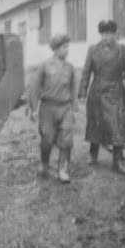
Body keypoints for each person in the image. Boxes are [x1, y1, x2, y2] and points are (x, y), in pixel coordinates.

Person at [78, 20, 125, 174]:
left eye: (110, 33)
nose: (107, 37)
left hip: (115, 91)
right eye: (104, 34)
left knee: (118, 125)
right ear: (100, 34)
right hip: (97, 91)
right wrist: (82, 92)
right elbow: (86, 71)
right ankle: (93, 154)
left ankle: (117, 160)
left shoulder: (122, 49)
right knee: (95, 123)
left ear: (115, 34)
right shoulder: (93, 49)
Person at [29, 34, 76, 183]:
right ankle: (44, 164)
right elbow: (35, 86)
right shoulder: (45, 65)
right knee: (47, 139)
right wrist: (34, 108)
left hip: (65, 107)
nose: (66, 50)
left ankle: (63, 170)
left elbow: (73, 88)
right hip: (48, 108)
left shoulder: (70, 68)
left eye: (67, 47)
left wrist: (74, 107)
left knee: (66, 140)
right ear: (55, 49)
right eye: (63, 47)